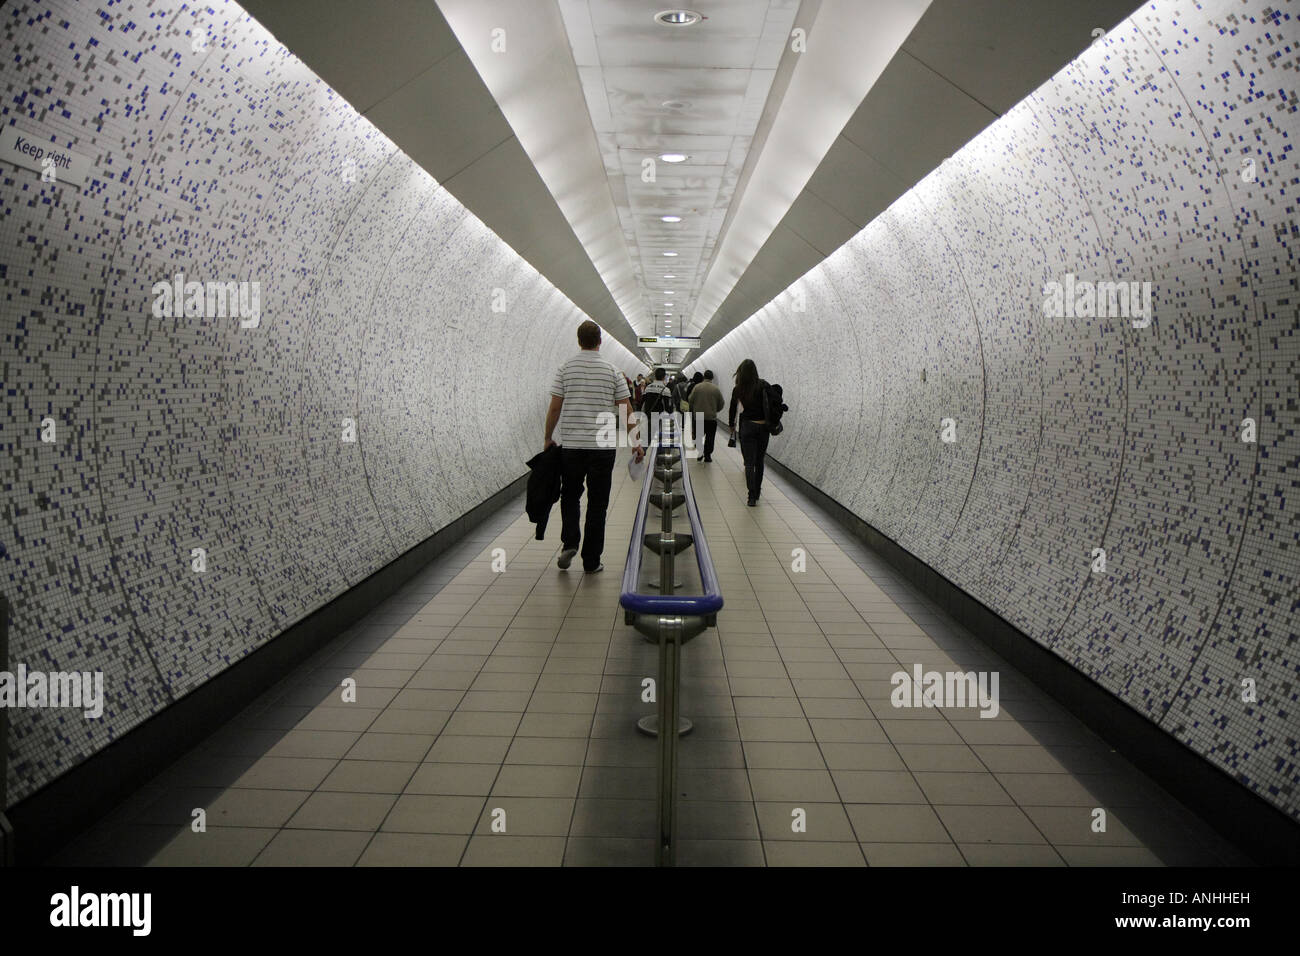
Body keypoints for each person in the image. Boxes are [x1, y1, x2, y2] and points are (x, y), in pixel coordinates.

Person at [544, 320, 643, 573]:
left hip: (573, 447)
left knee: (570, 496)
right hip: (602, 448)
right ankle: (591, 560)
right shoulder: (613, 371)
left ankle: (570, 543)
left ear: (579, 341)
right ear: (600, 341)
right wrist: (636, 442)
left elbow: (555, 407)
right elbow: (626, 409)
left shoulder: (565, 369)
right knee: (598, 503)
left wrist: (548, 437)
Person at [727, 358, 770, 506]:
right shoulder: (764, 385)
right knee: (760, 461)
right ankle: (757, 491)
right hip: (764, 427)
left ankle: (751, 496)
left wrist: (731, 425)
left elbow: (733, 408)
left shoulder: (739, 389)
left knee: (749, 463)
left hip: (747, 427)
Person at [688, 369, 724, 463]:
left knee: (699, 436)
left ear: (704, 377)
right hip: (711, 418)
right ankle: (708, 455)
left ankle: (700, 453)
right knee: (710, 437)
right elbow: (721, 403)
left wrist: (694, 409)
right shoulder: (716, 389)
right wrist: (715, 410)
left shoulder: (697, 387)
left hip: (699, 416)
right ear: (712, 378)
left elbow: (690, 400)